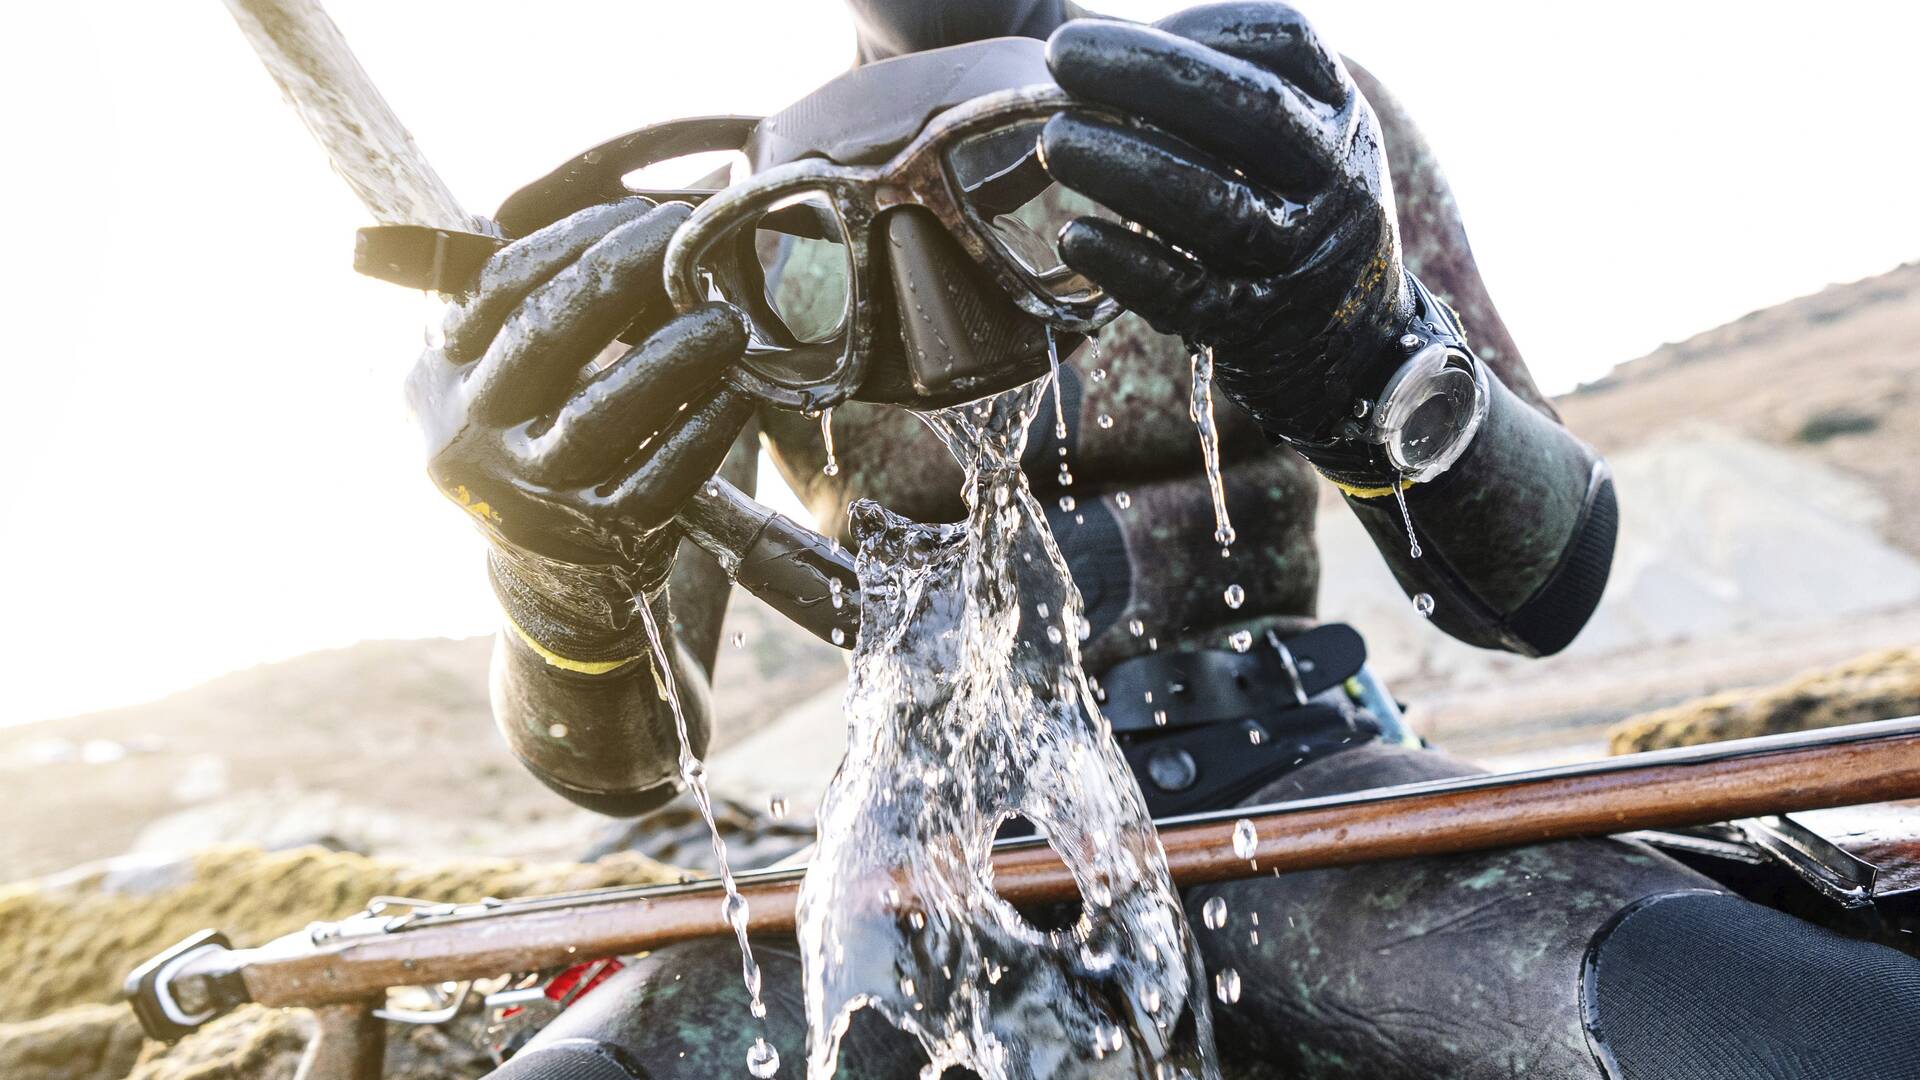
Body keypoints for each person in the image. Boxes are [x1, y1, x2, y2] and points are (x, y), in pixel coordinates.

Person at [407, 2, 1920, 1077]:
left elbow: (1542, 585)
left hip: (1316, 806)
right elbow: (613, 750)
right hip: (909, 856)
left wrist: (1371, 355)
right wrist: (556, 583)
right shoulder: (722, 249)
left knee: (1810, 1034)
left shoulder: (1270, 114)